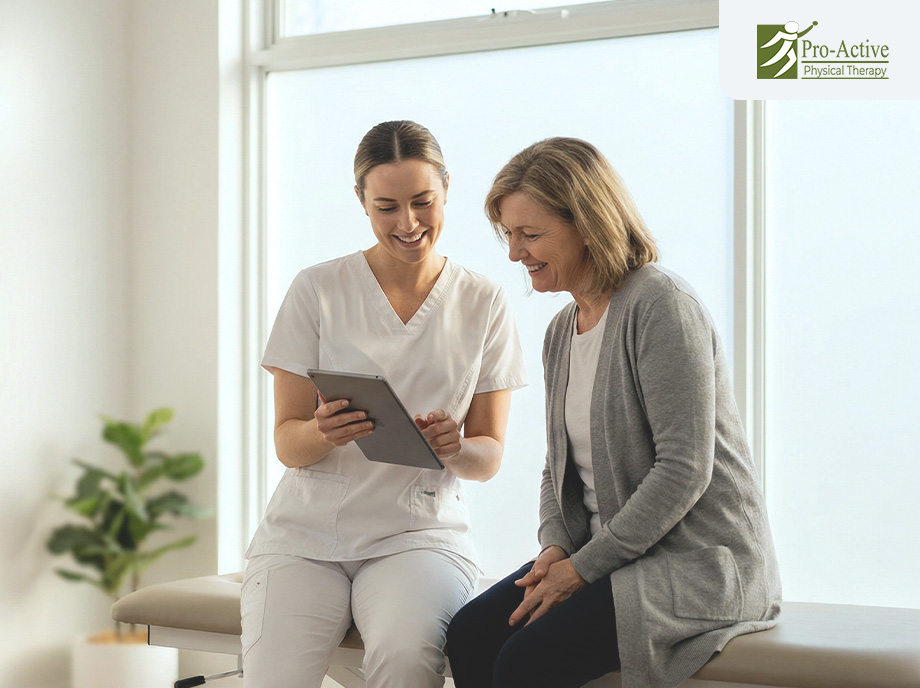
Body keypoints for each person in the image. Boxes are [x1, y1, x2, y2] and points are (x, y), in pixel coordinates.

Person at [446, 137, 781, 688]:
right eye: (509, 234)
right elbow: (559, 467)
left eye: (530, 235)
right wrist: (554, 549)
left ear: (588, 224)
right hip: (607, 555)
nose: (514, 253)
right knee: (472, 633)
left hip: (698, 563)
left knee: (526, 661)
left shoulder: (660, 305)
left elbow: (683, 469)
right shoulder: (562, 329)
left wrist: (580, 569)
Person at [240, 120, 527, 688]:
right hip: (305, 535)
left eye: (423, 202)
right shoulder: (317, 289)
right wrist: (323, 430)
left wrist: (455, 446)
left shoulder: (483, 301)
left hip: (416, 534)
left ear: (446, 189)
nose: (408, 223)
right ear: (361, 202)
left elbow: (489, 456)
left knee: (404, 660)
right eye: (386, 207)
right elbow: (287, 444)